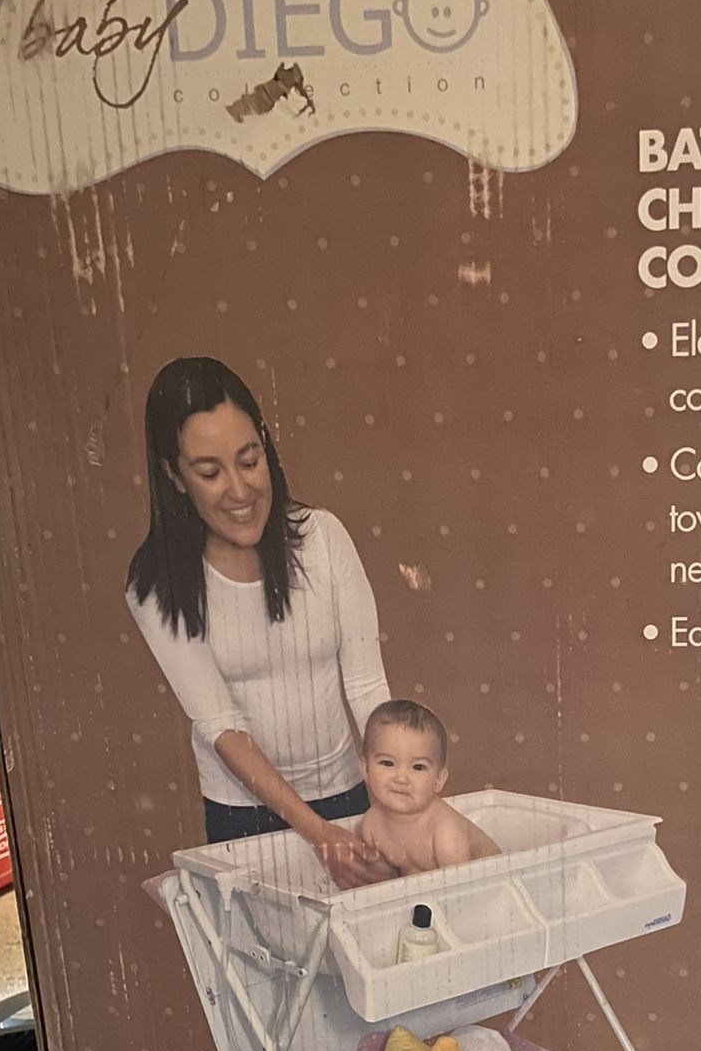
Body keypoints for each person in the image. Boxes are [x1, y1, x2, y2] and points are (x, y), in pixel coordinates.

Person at [125, 356, 392, 883]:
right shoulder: (157, 583)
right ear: (174, 476)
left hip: (346, 792)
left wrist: (401, 793)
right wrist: (316, 833)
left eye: (249, 461)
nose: (239, 490)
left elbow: (367, 686)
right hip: (241, 816)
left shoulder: (323, 539)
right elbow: (221, 725)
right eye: (210, 473)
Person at [357, 699, 500, 875]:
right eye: (387, 763)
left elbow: (465, 887)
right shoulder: (371, 825)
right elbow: (381, 881)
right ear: (365, 769)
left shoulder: (445, 833)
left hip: (491, 881)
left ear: (439, 779)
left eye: (418, 767)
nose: (401, 778)